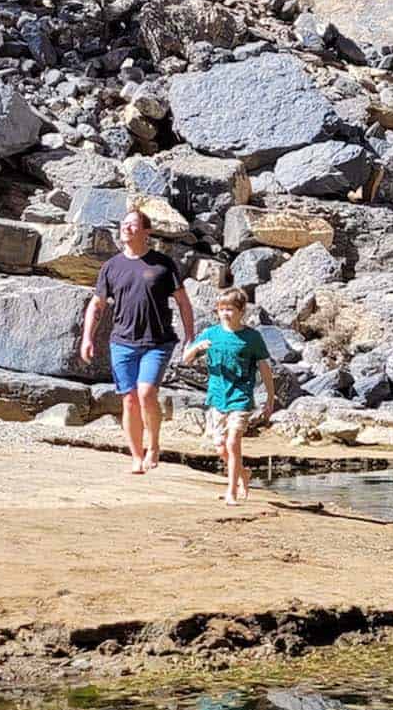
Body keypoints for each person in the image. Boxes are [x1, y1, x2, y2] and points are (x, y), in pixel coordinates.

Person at [81, 210, 194, 474]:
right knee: (129, 399)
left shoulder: (163, 265)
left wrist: (190, 336)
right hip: (122, 341)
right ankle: (136, 455)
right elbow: (96, 305)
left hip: (158, 341)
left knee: (146, 393)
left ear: (147, 232)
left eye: (133, 225)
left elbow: (183, 302)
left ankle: (153, 446)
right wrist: (88, 337)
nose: (127, 229)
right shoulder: (112, 266)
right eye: (124, 225)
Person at [182, 288, 277, 505]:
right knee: (220, 446)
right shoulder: (211, 333)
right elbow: (185, 359)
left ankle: (231, 492)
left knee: (234, 441)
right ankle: (243, 474)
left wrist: (270, 398)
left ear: (241, 311)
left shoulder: (252, 337)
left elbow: (264, 368)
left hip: (241, 397)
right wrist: (197, 347)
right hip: (217, 397)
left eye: (230, 309)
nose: (225, 314)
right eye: (222, 309)